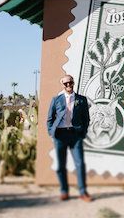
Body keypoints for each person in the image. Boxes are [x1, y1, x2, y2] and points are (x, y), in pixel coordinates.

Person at [46, 74, 92, 202]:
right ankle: (64, 191)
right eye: (65, 83)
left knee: (80, 164)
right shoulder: (56, 100)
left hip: (75, 135)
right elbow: (50, 119)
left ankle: (83, 192)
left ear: (73, 83)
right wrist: (51, 132)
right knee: (61, 165)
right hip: (60, 135)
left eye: (70, 82)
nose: (68, 85)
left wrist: (83, 132)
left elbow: (86, 119)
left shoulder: (81, 100)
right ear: (62, 85)